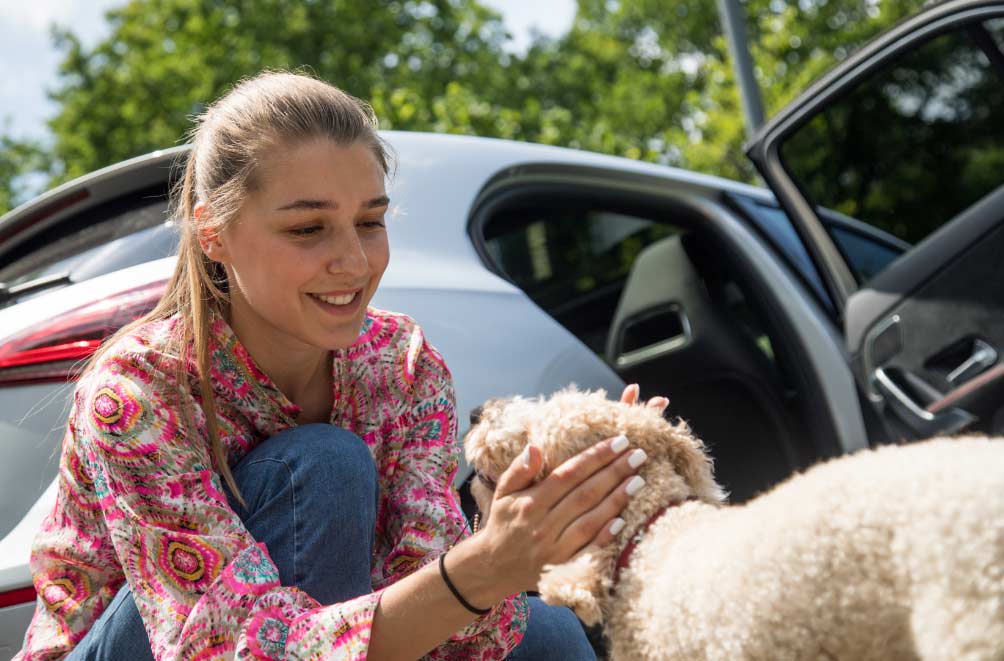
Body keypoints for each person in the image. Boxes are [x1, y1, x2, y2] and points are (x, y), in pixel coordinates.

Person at [15, 71, 658, 661]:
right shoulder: (139, 389)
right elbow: (230, 647)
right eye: (308, 229)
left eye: (370, 221)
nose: (353, 262)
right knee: (322, 467)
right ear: (212, 233)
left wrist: (532, 520)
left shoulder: (403, 366)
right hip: (178, 645)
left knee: (550, 637)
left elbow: (433, 588)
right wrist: (483, 568)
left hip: (321, 638)